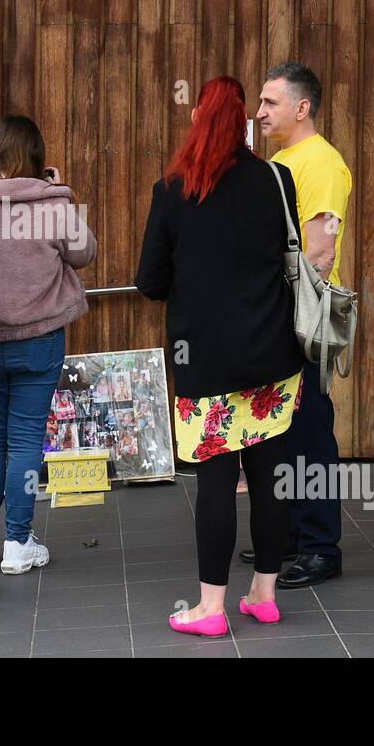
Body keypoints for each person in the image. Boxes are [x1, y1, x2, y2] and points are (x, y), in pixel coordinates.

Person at [135, 75, 306, 638]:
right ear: (243, 125)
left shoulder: (173, 188)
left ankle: (211, 609)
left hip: (205, 362)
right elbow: (289, 255)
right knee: (269, 478)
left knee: (214, 483)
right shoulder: (277, 180)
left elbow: (150, 282)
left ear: (198, 121)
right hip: (272, 359)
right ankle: (264, 595)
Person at [0, 115, 96, 575]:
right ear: (37, 156)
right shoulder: (52, 203)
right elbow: (86, 252)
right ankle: (18, 543)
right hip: (40, 338)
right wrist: (62, 191)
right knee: (27, 440)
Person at [246, 61, 352, 588]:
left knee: (310, 431)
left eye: (270, 102)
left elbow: (322, 251)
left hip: (302, 321)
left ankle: (320, 547)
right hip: (281, 318)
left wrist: (292, 318)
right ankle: (287, 536)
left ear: (301, 108)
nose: (259, 111)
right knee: (283, 431)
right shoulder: (283, 160)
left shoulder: (323, 164)